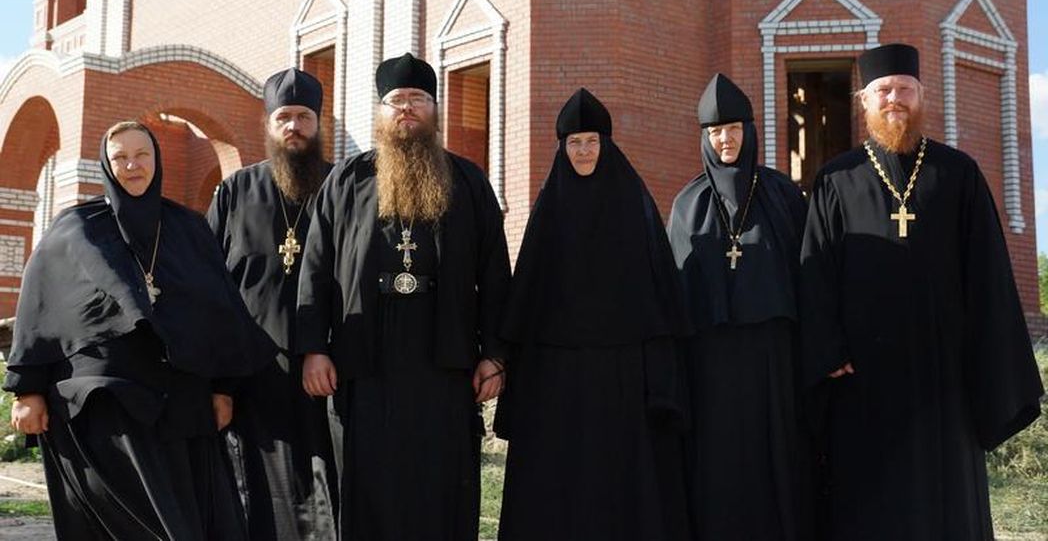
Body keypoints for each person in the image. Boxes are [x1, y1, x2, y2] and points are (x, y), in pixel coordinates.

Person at [799, 43, 1044, 540]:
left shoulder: (958, 174)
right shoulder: (835, 180)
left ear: (922, 96)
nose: (894, 99)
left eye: (904, 89)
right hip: (862, 376)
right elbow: (815, 269)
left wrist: (985, 356)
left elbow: (988, 274)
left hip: (943, 374)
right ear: (864, 100)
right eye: (883, 91)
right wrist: (828, 348)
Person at [4, 121, 276, 540]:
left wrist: (224, 389)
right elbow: (39, 310)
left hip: (181, 405)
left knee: (185, 527)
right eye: (121, 157)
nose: (132, 165)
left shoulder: (188, 229)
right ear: (106, 165)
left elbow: (220, 311)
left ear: (157, 159)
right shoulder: (75, 229)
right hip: (104, 406)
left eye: (142, 154)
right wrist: (27, 390)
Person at [295, 52, 511, 540]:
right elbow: (316, 269)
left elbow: (495, 274)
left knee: (440, 485)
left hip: (445, 357)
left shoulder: (469, 181)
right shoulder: (347, 180)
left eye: (418, 98)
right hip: (364, 358)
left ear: (434, 109)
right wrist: (313, 348)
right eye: (397, 100)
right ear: (381, 111)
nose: (407, 108)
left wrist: (495, 355)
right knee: (369, 485)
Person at [495, 88, 692, 541]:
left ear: (606, 145)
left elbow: (660, 296)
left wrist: (659, 380)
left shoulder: (634, 207)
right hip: (555, 381)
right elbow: (525, 300)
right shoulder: (548, 212)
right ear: (562, 148)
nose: (583, 151)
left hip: (623, 378)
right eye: (574, 143)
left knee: (623, 482)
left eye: (591, 141)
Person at [667, 73, 809, 541]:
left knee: (776, 453)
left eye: (732, 129)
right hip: (710, 361)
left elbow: (807, 276)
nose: (725, 139)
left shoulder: (783, 196)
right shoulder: (687, 204)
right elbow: (676, 290)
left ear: (748, 130)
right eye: (715, 131)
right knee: (717, 457)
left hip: (773, 358)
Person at [207, 68, 338, 539]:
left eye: (304, 116)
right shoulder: (235, 191)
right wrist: (218, 383)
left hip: (327, 371)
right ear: (268, 124)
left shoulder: (343, 186)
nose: (294, 126)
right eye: (284, 117)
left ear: (319, 123)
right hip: (253, 376)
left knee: (327, 489)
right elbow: (210, 288)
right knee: (257, 493)